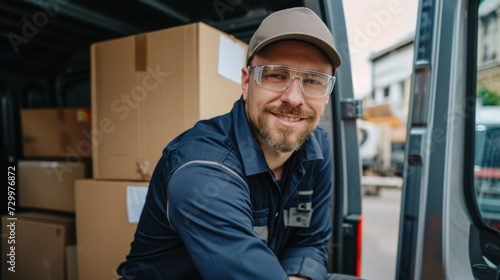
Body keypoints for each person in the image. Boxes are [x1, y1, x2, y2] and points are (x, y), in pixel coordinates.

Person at [117, 7, 353, 280]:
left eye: (313, 80)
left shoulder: (317, 148)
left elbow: (309, 242)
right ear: (246, 82)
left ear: (326, 95)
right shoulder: (201, 169)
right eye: (276, 75)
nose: (294, 98)